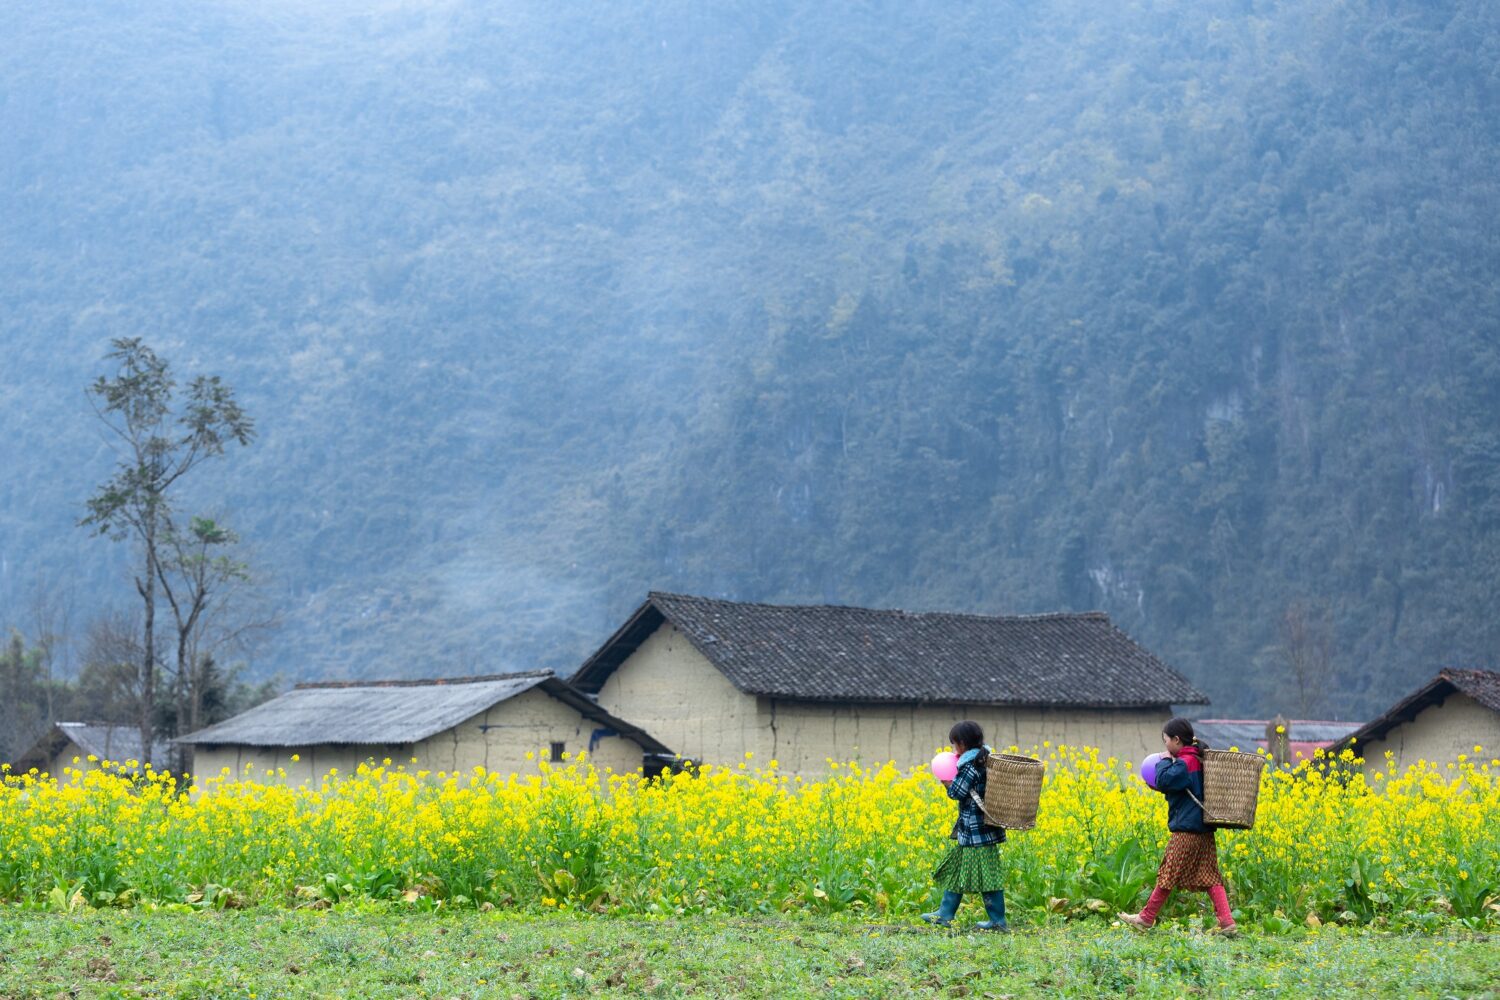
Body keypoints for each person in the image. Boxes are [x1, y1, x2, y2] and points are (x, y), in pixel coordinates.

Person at [1119, 717, 1238, 936]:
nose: (1165, 747)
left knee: (1168, 874)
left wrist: (1164, 761)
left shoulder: (1186, 762)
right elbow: (1180, 788)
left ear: (1176, 740)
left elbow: (1165, 780)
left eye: (1166, 741)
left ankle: (1145, 918)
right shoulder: (1198, 760)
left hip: (1187, 831)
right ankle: (1227, 923)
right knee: (1210, 876)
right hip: (1202, 830)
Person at [921, 720, 1008, 931]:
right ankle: (945, 913)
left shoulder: (970, 765)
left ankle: (998, 921)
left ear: (961, 743)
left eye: (954, 744)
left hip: (976, 831)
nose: (953, 750)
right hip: (982, 831)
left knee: (988, 876)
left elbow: (957, 792)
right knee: (960, 871)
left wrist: (946, 782)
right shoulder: (985, 758)